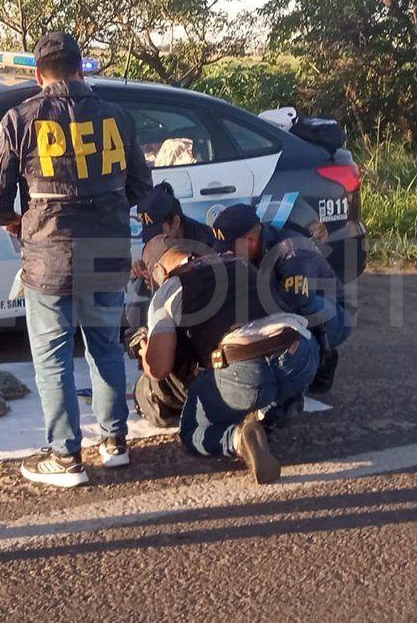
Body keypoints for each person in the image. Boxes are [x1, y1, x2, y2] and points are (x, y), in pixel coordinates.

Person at [0, 31, 153, 488]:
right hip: (107, 253)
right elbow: (141, 186)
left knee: (53, 357)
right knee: (105, 347)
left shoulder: (20, 119)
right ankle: (114, 443)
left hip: (49, 255)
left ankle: (65, 456)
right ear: (82, 68)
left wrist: (14, 221)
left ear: (38, 75)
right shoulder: (117, 116)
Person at [138, 237, 319, 484]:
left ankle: (238, 439)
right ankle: (272, 411)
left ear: (158, 270)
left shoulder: (169, 289)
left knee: (192, 429)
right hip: (301, 354)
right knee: (268, 380)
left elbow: (160, 368)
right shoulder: (237, 260)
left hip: (244, 369)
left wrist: (145, 352)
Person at [212, 204, 352, 399]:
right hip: (290, 302)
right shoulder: (249, 251)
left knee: (301, 313)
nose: (226, 255)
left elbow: (293, 305)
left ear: (250, 240)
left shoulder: (292, 252)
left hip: (334, 313)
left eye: (230, 250)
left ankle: (322, 357)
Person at [125, 183, 217, 426]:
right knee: (138, 291)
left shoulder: (207, 241)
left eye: (159, 233)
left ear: (175, 223)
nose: (154, 241)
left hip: (211, 331)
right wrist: (147, 273)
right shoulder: (161, 246)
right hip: (181, 316)